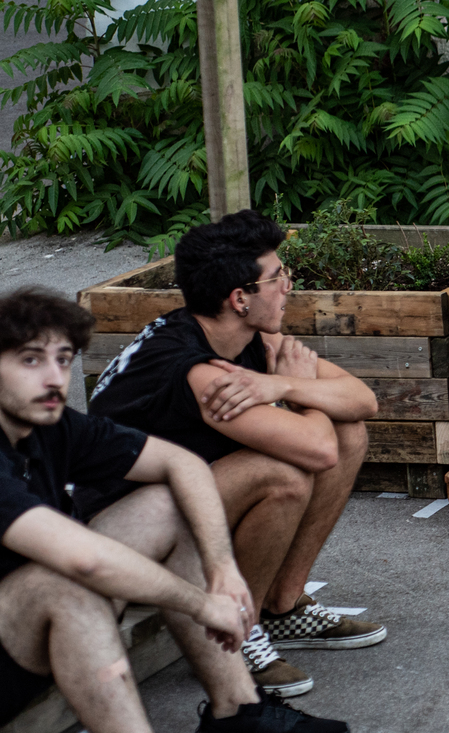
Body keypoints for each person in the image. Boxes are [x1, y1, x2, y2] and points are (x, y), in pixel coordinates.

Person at [0, 288, 348, 733]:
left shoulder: (50, 424)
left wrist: (221, 570)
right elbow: (82, 558)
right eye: (30, 359)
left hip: (30, 617)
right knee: (66, 586)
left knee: (172, 502)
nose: (54, 376)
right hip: (18, 628)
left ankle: (236, 709)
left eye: (63, 359)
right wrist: (199, 601)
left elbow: (179, 464)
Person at [88, 211, 386, 699]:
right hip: (123, 523)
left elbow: (363, 401)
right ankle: (236, 631)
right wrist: (303, 389)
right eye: (277, 277)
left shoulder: (244, 335)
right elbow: (318, 449)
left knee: (349, 430)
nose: (288, 285)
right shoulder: (199, 372)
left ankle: (281, 608)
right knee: (282, 472)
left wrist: (282, 383)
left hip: (188, 496)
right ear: (239, 298)